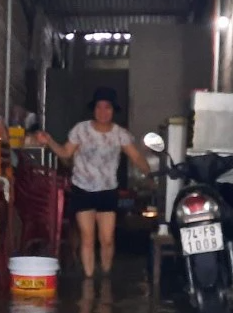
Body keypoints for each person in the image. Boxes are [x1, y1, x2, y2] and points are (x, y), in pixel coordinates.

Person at [38, 87, 150, 277]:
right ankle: (89, 280)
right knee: (87, 238)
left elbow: (136, 157)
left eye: (107, 107)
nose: (103, 112)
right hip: (83, 189)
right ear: (94, 109)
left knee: (107, 239)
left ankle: (105, 277)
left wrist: (150, 174)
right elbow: (66, 152)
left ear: (113, 110)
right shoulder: (80, 130)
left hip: (107, 191)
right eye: (99, 107)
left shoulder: (120, 134)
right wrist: (49, 141)